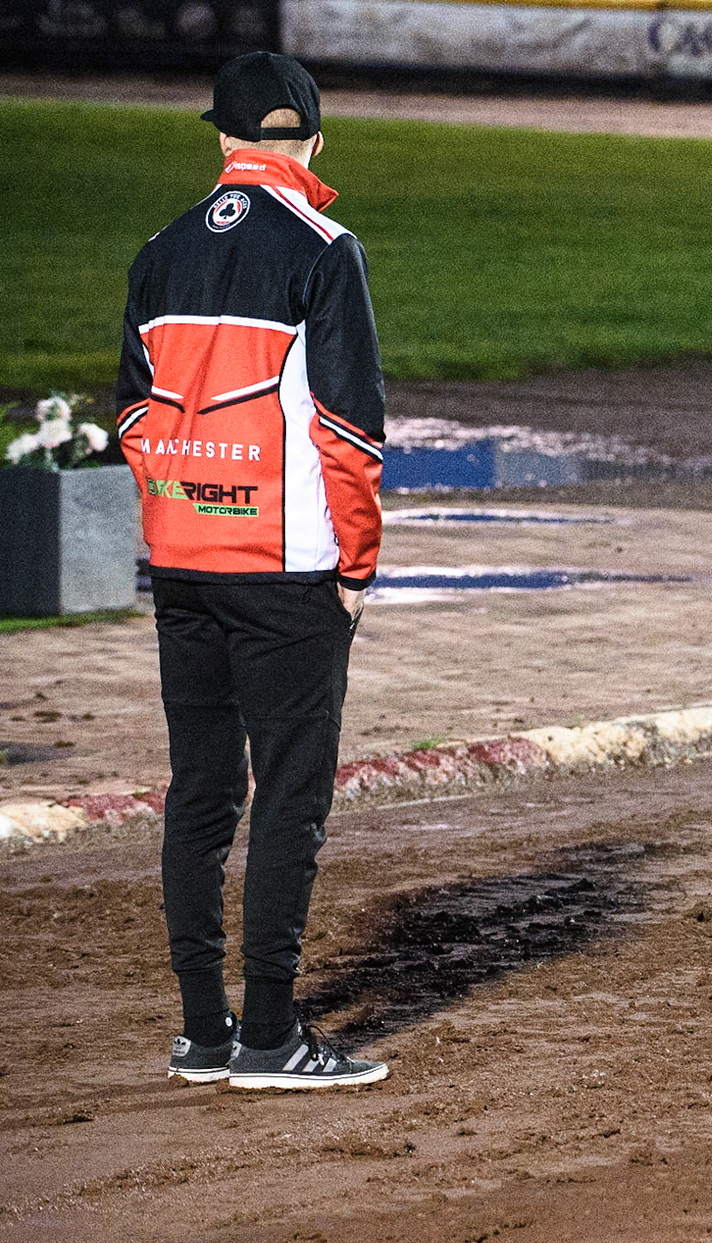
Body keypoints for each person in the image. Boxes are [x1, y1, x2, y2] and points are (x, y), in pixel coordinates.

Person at [118, 52, 389, 1089]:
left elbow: (137, 418)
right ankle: (272, 1038)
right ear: (313, 142)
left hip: (182, 564)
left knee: (198, 799)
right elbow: (350, 433)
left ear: (223, 140)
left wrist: (186, 512)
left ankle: (204, 1034)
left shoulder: (159, 252)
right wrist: (356, 564)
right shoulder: (327, 248)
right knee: (288, 803)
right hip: (288, 576)